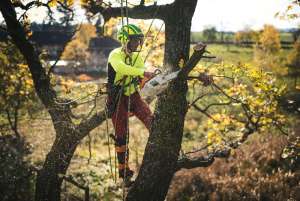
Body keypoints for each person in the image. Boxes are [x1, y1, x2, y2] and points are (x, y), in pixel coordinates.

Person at [106, 24, 154, 181]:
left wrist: (149, 77)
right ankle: (123, 171)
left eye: (139, 41)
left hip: (133, 95)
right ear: (125, 40)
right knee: (122, 134)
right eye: (134, 41)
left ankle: (158, 151)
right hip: (116, 98)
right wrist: (143, 72)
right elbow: (122, 69)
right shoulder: (115, 55)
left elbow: (141, 74)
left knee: (150, 118)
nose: (137, 44)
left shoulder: (137, 58)